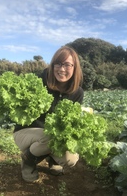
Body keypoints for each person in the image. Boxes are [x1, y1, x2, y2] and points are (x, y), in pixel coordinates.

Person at [13, 46, 84, 182]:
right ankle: (28, 161)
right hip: (26, 132)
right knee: (50, 138)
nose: (61, 69)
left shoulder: (77, 93)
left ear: (75, 68)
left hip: (51, 136)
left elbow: (70, 121)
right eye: (57, 63)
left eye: (67, 65)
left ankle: (53, 159)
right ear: (52, 65)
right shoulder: (39, 82)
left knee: (71, 158)